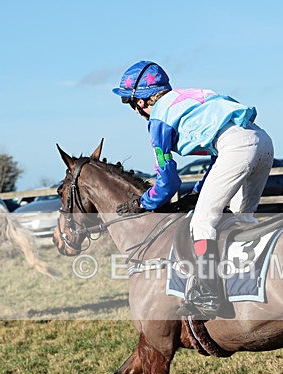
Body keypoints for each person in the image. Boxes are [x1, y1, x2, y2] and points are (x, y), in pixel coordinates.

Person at [112, 60, 274, 320]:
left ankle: (209, 296)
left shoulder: (158, 120)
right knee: (240, 218)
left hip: (237, 146)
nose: (133, 110)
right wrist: (199, 191)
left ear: (140, 102)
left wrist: (143, 203)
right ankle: (251, 286)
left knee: (202, 222)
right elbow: (216, 155)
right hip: (261, 140)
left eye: (129, 103)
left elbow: (168, 182)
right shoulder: (191, 97)